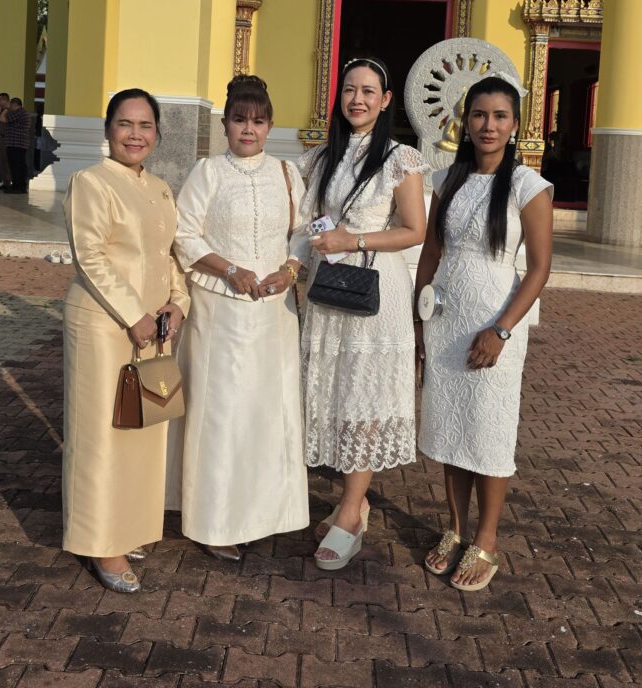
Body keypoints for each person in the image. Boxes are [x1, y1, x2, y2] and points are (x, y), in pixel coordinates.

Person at [415, 74, 553, 592]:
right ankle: (455, 528)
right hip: (446, 318)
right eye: (479, 115)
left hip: (496, 321)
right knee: (451, 426)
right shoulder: (447, 180)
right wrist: (419, 319)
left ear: (515, 124)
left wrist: (500, 329)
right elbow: (431, 252)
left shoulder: (527, 186)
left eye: (499, 116)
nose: (488, 125)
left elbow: (539, 268)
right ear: (465, 121)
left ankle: (486, 538)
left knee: (489, 430)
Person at [166, 75, 308, 559]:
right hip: (219, 308)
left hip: (274, 312)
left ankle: (266, 512)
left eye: (258, 121)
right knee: (221, 411)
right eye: (240, 120)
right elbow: (184, 234)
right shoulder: (207, 172)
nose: (249, 129)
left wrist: (290, 270)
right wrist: (230, 270)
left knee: (268, 410)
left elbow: (303, 232)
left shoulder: (287, 174)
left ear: (270, 125)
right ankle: (214, 520)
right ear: (225, 124)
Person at [295, 57, 428, 571]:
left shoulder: (399, 158)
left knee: (364, 394)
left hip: (376, 289)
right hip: (327, 285)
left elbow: (414, 229)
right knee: (332, 390)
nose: (358, 99)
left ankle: (351, 512)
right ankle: (351, 499)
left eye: (369, 91)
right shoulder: (320, 156)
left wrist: (353, 240)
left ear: (386, 99)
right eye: (350, 89)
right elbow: (305, 220)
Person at [62, 88, 190, 593]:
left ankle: (129, 525)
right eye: (125, 124)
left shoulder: (160, 187)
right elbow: (89, 257)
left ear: (157, 133)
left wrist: (178, 303)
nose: (135, 135)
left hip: (153, 329)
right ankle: (101, 542)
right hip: (103, 326)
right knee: (101, 435)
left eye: (145, 125)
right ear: (108, 129)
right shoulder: (91, 182)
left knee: (143, 428)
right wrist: (133, 315)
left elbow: (169, 255)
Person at [0, 97, 30, 193]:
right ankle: (19, 186)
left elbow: (2, 119)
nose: (10, 107)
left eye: (11, 105)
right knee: (17, 166)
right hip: (17, 144)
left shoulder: (19, 113)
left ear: (14, 104)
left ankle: (17, 187)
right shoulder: (21, 113)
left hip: (16, 144)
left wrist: (6, 109)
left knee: (16, 166)